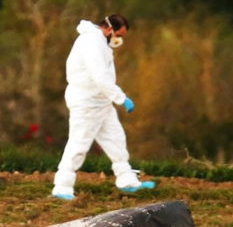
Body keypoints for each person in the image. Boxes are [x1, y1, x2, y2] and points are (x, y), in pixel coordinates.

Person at [51, 14, 155, 200]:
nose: (119, 39)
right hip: (87, 102)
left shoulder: (99, 42)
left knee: (116, 139)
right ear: (109, 29)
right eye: (118, 34)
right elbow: (100, 76)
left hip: (100, 102)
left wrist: (112, 97)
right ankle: (62, 186)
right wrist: (121, 98)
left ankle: (127, 180)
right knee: (79, 143)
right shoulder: (91, 42)